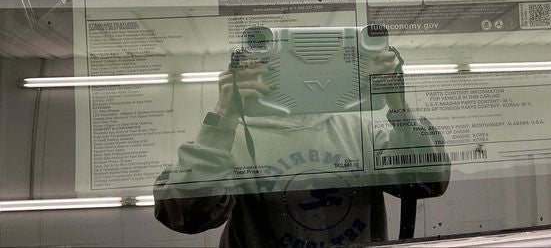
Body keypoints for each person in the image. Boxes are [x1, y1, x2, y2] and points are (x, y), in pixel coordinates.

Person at [154, 47, 450, 247]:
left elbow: (429, 182)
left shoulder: (357, 129)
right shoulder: (228, 139)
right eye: (278, 67)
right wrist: (223, 114)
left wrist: (398, 103)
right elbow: (185, 216)